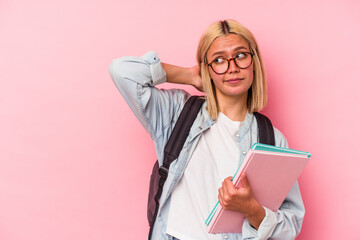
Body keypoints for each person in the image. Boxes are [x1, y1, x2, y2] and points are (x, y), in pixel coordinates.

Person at [109, 19, 305, 240]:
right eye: (219, 60)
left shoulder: (271, 140)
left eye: (241, 55)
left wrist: (252, 210)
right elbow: (121, 71)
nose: (232, 68)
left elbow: (291, 224)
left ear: (254, 62)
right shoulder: (177, 114)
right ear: (207, 69)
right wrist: (189, 75)